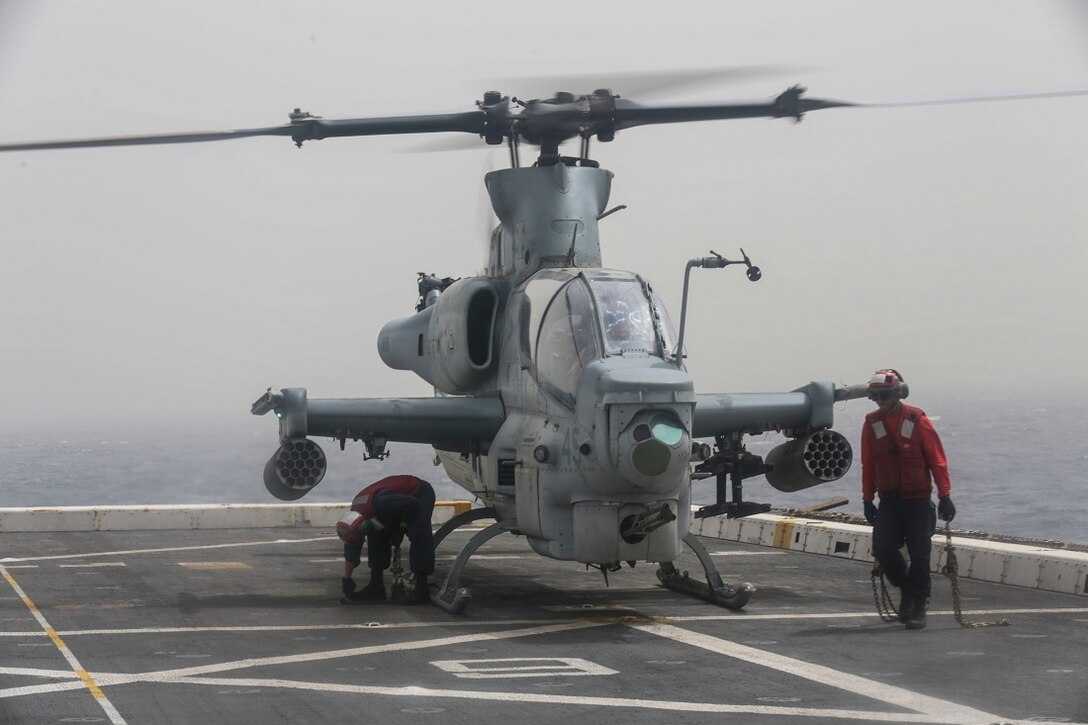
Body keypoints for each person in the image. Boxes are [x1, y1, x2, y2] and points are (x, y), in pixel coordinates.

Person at [861, 369, 956, 630]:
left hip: (917, 503)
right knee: (882, 549)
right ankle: (907, 590)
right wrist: (868, 500)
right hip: (889, 502)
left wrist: (945, 495)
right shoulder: (871, 423)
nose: (879, 400)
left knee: (920, 554)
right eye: (875, 396)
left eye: (883, 395)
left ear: (896, 393)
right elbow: (868, 464)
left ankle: (918, 605)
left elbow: (937, 460)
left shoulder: (917, 419)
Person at [336, 475, 436, 605]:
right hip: (389, 505)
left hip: (418, 495)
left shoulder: (382, 502)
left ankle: (421, 589)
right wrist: (347, 578)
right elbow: (352, 544)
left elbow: (414, 506)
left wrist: (401, 528)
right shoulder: (355, 518)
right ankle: (376, 587)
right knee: (377, 535)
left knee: (418, 532)